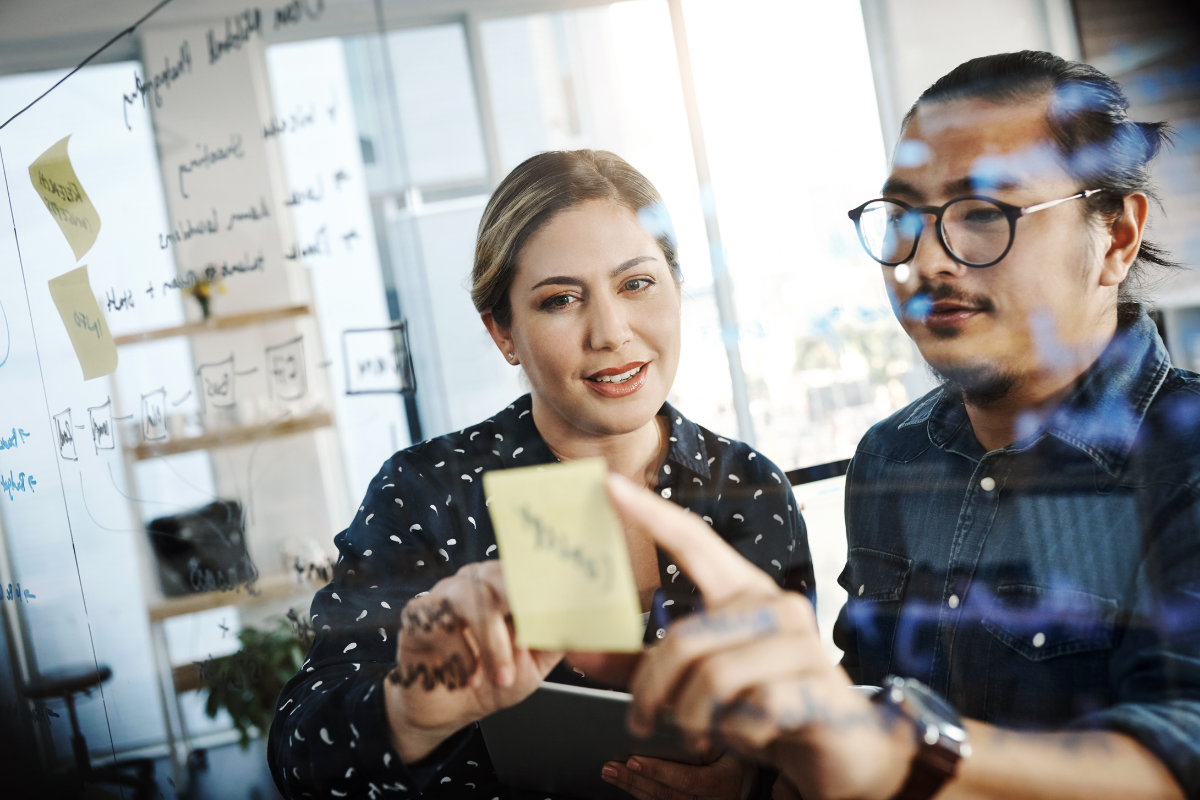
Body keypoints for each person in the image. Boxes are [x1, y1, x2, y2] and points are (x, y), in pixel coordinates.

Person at [603, 51, 1200, 800]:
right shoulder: (892, 456)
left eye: (983, 214)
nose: (924, 263)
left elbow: (1176, 761)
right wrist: (772, 776)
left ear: (1115, 238)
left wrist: (895, 753)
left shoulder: (1185, 461)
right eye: (905, 219)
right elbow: (861, 703)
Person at [267, 149, 816, 800]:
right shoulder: (429, 491)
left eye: (636, 283)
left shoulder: (750, 488)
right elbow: (300, 756)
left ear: (675, 286)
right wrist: (408, 711)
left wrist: (758, 778)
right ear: (504, 333)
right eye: (561, 300)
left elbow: (806, 721)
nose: (610, 332)